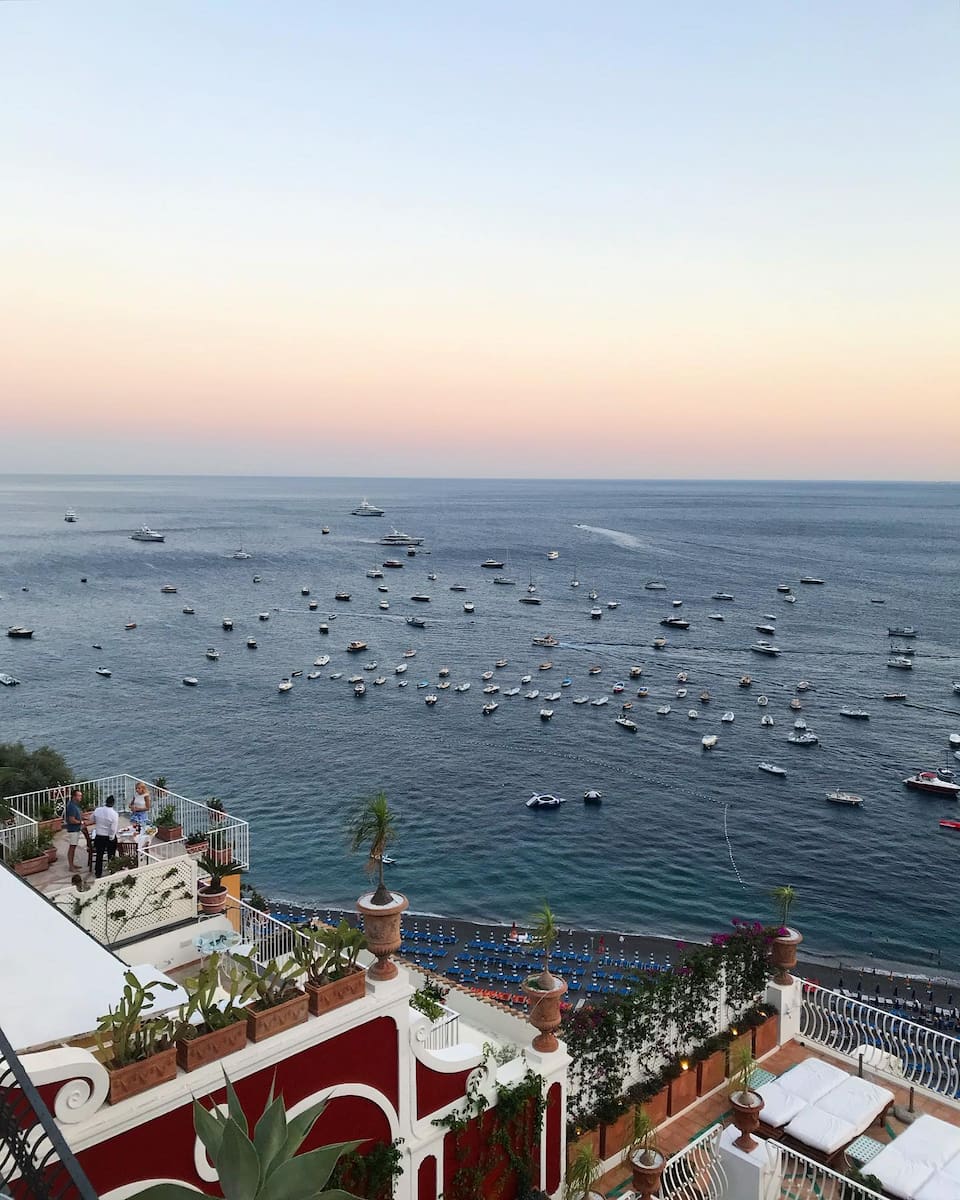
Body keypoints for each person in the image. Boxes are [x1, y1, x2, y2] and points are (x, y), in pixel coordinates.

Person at [92, 794, 119, 878]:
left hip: (99, 836)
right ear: (113, 803)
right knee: (111, 854)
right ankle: (112, 870)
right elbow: (113, 829)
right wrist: (112, 837)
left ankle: (98, 872)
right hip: (107, 837)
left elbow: (92, 819)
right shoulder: (114, 814)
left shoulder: (97, 810)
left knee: (99, 855)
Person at [65, 787, 87, 872]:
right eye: (79, 796)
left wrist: (84, 818)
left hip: (76, 829)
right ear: (74, 796)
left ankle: (72, 864)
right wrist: (81, 822)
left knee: (73, 847)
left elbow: (78, 815)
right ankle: (71, 866)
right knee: (72, 847)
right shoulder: (71, 806)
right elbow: (72, 820)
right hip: (73, 830)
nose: (81, 797)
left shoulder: (75, 805)